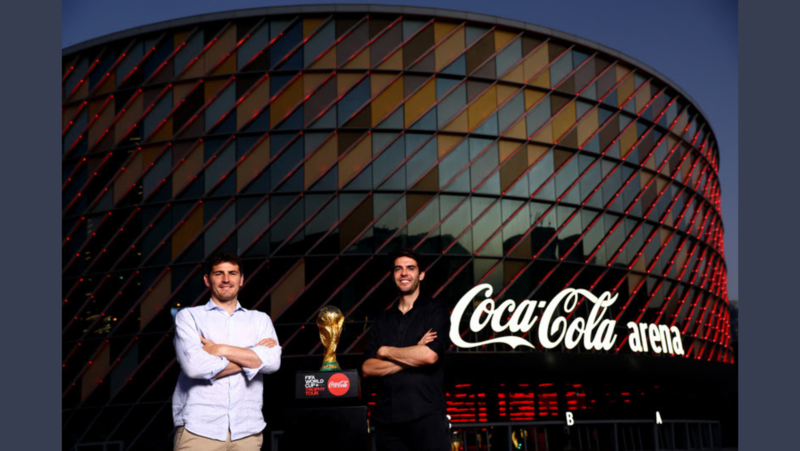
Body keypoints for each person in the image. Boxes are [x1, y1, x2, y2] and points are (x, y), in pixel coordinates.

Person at [171, 252, 281, 450]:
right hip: (199, 430)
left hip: (247, 432)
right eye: (218, 273)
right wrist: (253, 356)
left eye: (232, 273)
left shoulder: (260, 320)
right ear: (207, 280)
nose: (226, 279)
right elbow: (195, 367)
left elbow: (272, 363)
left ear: (241, 280)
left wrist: (219, 349)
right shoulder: (189, 317)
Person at [362, 248, 451, 451]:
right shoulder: (382, 320)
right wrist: (413, 352)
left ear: (421, 274)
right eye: (398, 269)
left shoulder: (436, 310)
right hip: (388, 422)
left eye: (410, 268)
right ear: (393, 275)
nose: (404, 273)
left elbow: (429, 356)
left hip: (427, 417)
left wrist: (385, 351)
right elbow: (367, 368)